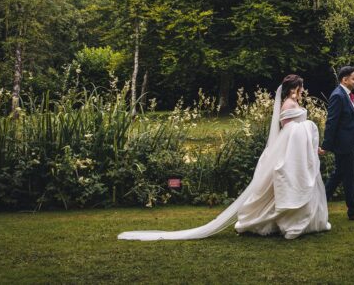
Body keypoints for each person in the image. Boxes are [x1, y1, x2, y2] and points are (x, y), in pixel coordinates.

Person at [117, 74, 331, 240]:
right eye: (301, 88)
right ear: (295, 88)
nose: (303, 91)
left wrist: (312, 145)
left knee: (281, 186)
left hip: (295, 152)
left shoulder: (292, 104)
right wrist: (309, 127)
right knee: (279, 185)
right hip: (288, 152)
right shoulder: (289, 104)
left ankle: (292, 221)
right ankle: (273, 222)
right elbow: (291, 130)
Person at [320, 66, 354, 222]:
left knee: (338, 176)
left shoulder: (348, 95)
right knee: (348, 177)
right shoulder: (338, 95)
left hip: (349, 143)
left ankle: (316, 204)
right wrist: (326, 145)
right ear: (344, 79)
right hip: (343, 145)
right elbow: (332, 122)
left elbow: (348, 119)